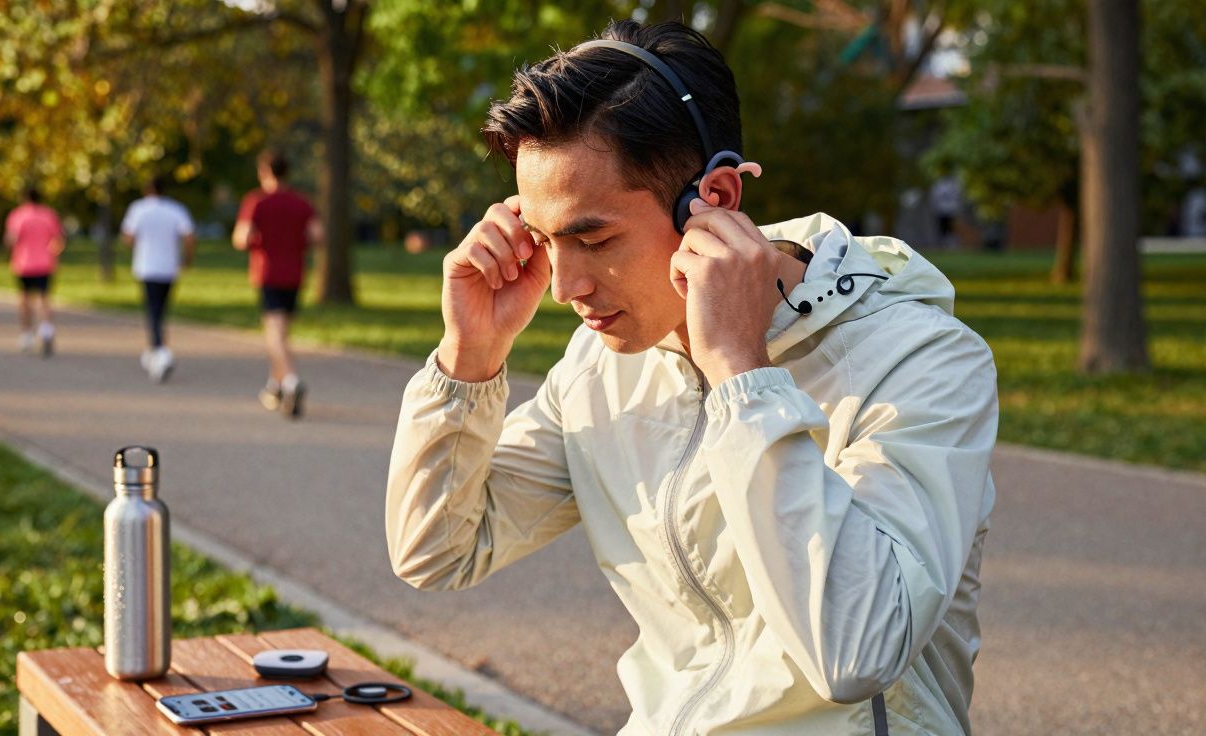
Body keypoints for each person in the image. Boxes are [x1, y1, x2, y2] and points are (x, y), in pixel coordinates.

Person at [385, 20, 997, 736]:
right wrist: (470, 356)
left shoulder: (921, 360)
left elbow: (857, 652)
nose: (565, 286)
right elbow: (436, 551)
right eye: (547, 240)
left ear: (717, 198)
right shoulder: (599, 365)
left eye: (594, 238)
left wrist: (742, 375)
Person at [231, 150, 322, 418]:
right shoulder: (302, 202)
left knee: (274, 335)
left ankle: (292, 381)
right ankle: (275, 387)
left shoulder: (256, 201)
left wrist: (259, 240)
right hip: (295, 273)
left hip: (268, 272)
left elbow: (241, 238)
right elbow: (318, 234)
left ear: (264, 172)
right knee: (280, 334)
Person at [121, 175, 196, 382]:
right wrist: (187, 260)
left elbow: (128, 237)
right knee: (160, 309)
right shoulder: (176, 209)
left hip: (146, 267)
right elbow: (189, 237)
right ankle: (154, 349)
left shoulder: (138, 209)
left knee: (153, 311)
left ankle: (160, 352)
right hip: (169, 268)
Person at [4, 187, 65, 356]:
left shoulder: (18, 215)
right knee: (44, 298)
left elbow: (11, 239)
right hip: (45, 263)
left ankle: (27, 333)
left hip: (23, 263)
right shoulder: (49, 215)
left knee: (24, 299)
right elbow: (58, 240)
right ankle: (46, 328)